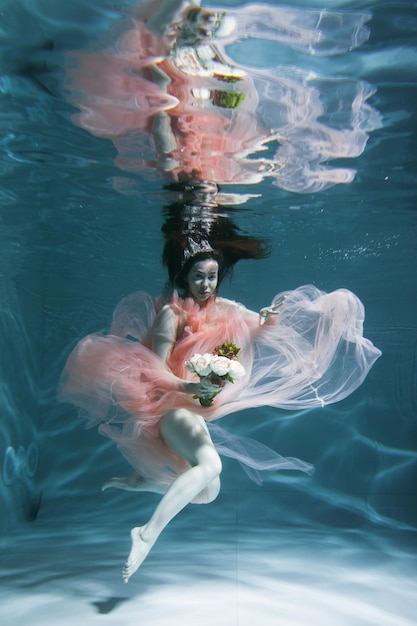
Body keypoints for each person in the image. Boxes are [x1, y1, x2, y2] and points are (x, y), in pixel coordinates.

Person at [60, 197, 381, 581]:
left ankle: (144, 481)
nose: (206, 284)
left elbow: (259, 325)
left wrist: (268, 317)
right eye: (198, 277)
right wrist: (190, 385)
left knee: (207, 491)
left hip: (191, 409)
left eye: (211, 276)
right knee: (212, 464)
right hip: (167, 409)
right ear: (184, 276)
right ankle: (145, 534)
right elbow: (152, 370)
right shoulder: (172, 315)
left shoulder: (224, 308)